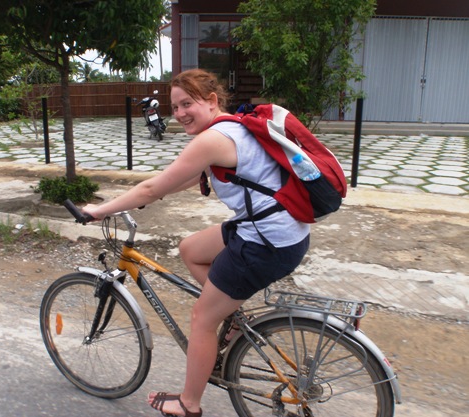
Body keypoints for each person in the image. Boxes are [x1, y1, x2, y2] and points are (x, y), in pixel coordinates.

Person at [82, 69, 310, 417]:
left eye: (187, 103)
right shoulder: (233, 127)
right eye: (174, 107)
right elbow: (187, 180)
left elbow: (152, 186)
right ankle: (231, 313)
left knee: (202, 319)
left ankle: (188, 404)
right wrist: (146, 198)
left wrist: (100, 210)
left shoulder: (211, 139)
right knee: (190, 249)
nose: (180, 113)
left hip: (266, 243)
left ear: (212, 101)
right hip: (277, 232)